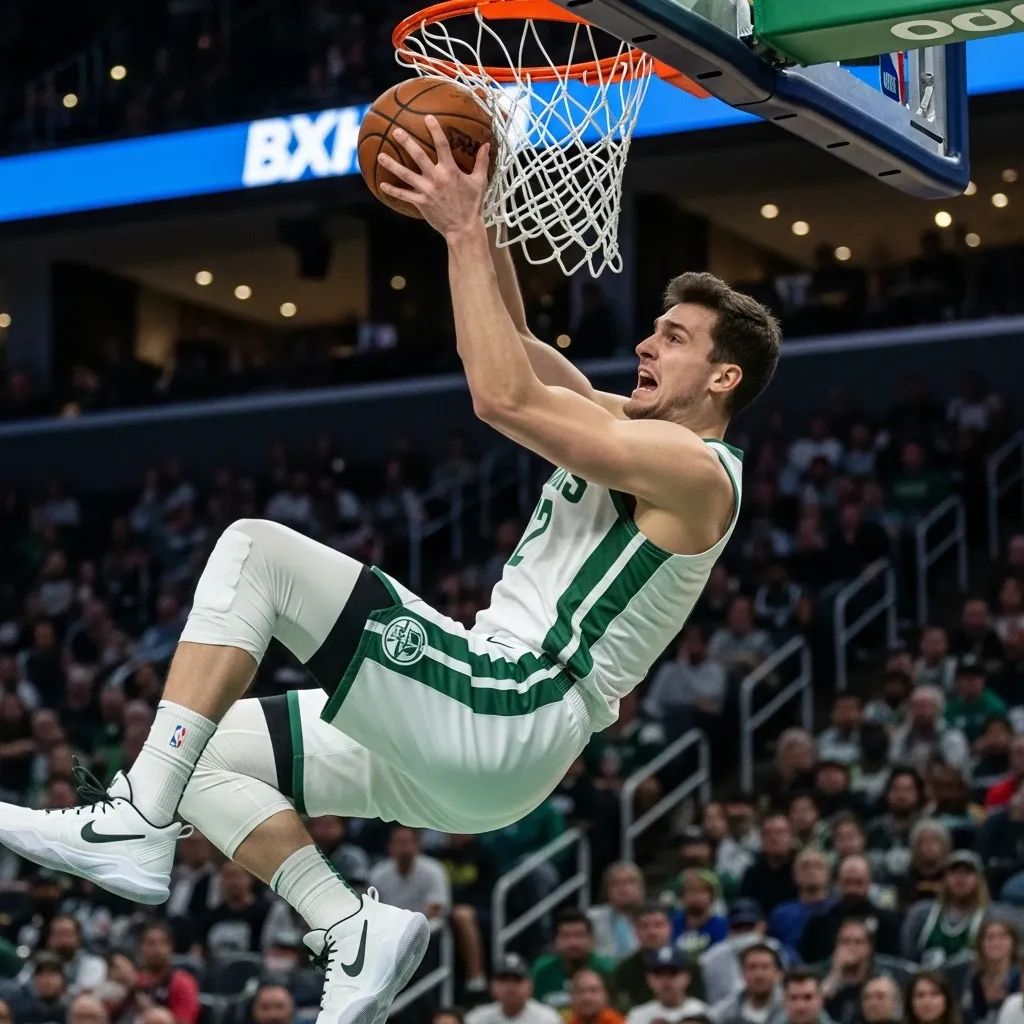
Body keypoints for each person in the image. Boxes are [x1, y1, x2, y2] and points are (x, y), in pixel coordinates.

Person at [0, 117, 782, 1024]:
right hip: (478, 730)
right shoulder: (631, 429)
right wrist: (477, 211)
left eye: (673, 338)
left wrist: (456, 234)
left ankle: (136, 823)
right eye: (652, 331)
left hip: (513, 701)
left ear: (722, 380)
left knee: (256, 550)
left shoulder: (697, 473)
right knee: (193, 751)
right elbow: (518, 346)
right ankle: (347, 927)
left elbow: (500, 396)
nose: (646, 345)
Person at [799, 856, 900, 964]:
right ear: (838, 883)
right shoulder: (820, 924)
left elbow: (892, 962)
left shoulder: (888, 923)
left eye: (858, 882)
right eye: (848, 882)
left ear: (869, 883)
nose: (853, 889)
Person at [817, 919, 908, 1024]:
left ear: (869, 947)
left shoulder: (887, 972)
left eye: (858, 942)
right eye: (845, 942)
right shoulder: (821, 973)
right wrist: (836, 973)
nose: (851, 947)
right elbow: (811, 1008)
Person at [531, 909, 615, 1010]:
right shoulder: (542, 971)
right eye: (566, 936)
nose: (573, 942)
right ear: (555, 941)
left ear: (592, 940)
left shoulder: (608, 970)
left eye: (579, 935)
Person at [367, 826, 451, 919]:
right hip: (390, 928)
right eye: (400, 843)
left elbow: (436, 909)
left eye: (408, 842)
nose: (405, 848)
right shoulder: (378, 874)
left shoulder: (434, 870)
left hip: (427, 928)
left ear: (418, 845)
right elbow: (373, 910)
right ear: (390, 846)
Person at [609, 905, 674, 1013]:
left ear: (670, 928)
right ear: (635, 931)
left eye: (658, 925)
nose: (652, 932)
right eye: (644, 926)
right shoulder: (624, 970)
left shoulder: (688, 965)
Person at [768, 849, 834, 953]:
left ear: (828, 874)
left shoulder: (838, 909)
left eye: (818, 866)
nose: (811, 871)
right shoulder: (781, 914)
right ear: (794, 875)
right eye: (805, 866)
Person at [465, 954, 561, 1024]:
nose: (510, 987)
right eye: (503, 980)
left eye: (517, 980)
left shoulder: (547, 1018)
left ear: (530, 985)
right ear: (492, 986)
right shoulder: (477, 1017)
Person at [134, 922, 200, 1024]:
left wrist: (151, 1011)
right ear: (141, 947)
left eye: (162, 943)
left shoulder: (182, 982)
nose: (157, 949)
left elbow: (185, 1021)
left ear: (171, 948)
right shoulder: (133, 979)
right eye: (151, 943)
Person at [626, 947, 707, 1024]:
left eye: (673, 973)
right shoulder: (638, 1016)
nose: (666, 980)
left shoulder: (701, 1012)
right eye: (658, 974)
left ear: (687, 977)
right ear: (648, 978)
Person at [710, 942, 785, 1024]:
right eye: (752, 967)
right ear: (742, 973)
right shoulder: (725, 1014)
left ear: (777, 973)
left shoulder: (789, 1009)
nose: (759, 975)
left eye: (765, 967)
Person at [740, 816, 798, 916]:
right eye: (768, 834)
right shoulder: (752, 874)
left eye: (779, 833)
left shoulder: (799, 870)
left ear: (791, 836)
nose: (774, 838)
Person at [964, 920, 1020, 1024]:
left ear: (1013, 943)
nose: (996, 943)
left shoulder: (1020, 977)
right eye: (990, 938)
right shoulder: (976, 979)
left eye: (1002, 937)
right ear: (981, 944)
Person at [588, 863, 645, 962]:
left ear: (641, 888)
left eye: (630, 882)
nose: (623, 889)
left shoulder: (654, 918)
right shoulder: (592, 918)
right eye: (616, 884)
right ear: (607, 890)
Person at [673, 870, 729, 957]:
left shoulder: (724, 926)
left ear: (712, 897)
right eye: (691, 891)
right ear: (682, 897)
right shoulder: (671, 925)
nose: (696, 896)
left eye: (702, 891)